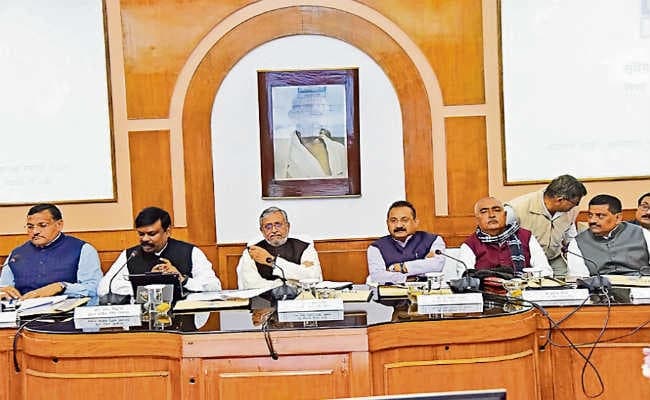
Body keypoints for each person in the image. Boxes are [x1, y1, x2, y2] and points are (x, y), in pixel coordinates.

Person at [98, 207, 221, 299]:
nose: (145, 239)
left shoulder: (191, 252)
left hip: (182, 319)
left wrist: (182, 279)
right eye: (141, 234)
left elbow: (214, 287)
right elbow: (104, 287)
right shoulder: (130, 254)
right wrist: (147, 283)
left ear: (167, 231)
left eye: (151, 234)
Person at [0, 204, 102, 301]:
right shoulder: (17, 254)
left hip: (66, 310)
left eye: (42, 225)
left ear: (59, 225)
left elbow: (94, 288)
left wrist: (61, 287)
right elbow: (4, 288)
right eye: (30, 227)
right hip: (23, 310)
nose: (35, 232)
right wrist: (3, 291)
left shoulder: (83, 249)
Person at [506, 174, 587, 277]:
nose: (576, 206)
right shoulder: (515, 209)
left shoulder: (570, 210)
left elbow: (570, 236)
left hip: (555, 258)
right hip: (527, 261)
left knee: (569, 282)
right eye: (575, 203)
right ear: (560, 200)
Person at [459, 197, 553, 276]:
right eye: (484, 212)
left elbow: (545, 271)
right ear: (477, 219)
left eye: (496, 210)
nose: (491, 215)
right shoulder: (470, 245)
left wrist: (525, 279)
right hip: (486, 291)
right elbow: (465, 278)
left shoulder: (526, 237)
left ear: (505, 215)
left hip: (524, 289)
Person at [236, 206, 323, 290]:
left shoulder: (305, 248)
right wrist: (291, 282)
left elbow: (313, 277)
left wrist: (272, 261)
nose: (274, 230)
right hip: (264, 299)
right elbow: (251, 285)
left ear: (287, 226)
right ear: (262, 231)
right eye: (268, 227)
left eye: (278, 225)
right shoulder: (252, 252)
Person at [273, 86, 348, 179]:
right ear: (295, 116)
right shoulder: (281, 152)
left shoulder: (339, 150)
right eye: (311, 114)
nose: (316, 121)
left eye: (320, 114)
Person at [567, 194, 650, 277]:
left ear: (618, 218)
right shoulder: (577, 242)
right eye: (590, 215)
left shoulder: (643, 234)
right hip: (599, 284)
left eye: (600, 216)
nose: (592, 221)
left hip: (639, 282)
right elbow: (579, 277)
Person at [367, 200, 446, 284]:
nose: (399, 225)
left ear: (415, 222)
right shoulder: (376, 247)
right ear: (387, 223)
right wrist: (414, 276)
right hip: (392, 291)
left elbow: (437, 266)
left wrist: (398, 268)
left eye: (404, 220)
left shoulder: (434, 240)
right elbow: (378, 277)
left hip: (426, 290)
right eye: (393, 221)